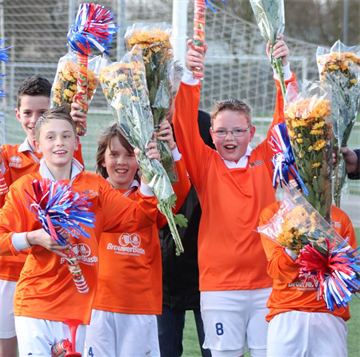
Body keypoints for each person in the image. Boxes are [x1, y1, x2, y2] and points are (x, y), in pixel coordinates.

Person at [0, 106, 160, 356]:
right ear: (37, 144)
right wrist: (33, 238)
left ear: (76, 141)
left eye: (66, 135)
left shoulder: (95, 186)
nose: (59, 142)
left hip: (80, 309)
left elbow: (140, 218)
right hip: (34, 303)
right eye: (50, 137)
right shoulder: (25, 188)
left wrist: (149, 177)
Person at [172, 35, 295, 357]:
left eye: (238, 130)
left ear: (251, 133)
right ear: (211, 135)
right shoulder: (204, 164)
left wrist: (282, 69)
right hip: (219, 287)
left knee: (269, 352)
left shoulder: (266, 158)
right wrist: (191, 75)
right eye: (222, 131)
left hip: (267, 282)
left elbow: (285, 120)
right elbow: (183, 123)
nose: (230, 137)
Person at [84, 121, 190, 357]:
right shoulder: (91, 195)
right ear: (103, 159)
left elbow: (180, 191)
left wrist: (171, 149)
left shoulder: (152, 198)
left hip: (140, 306)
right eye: (114, 154)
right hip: (96, 304)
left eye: (130, 155)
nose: (121, 162)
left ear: (139, 161)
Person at [0, 75, 84, 357]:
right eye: (27, 113)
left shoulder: (69, 154)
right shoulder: (6, 156)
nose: (34, 120)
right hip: (10, 270)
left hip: (56, 274)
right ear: (17, 114)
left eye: (42, 113)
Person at [157, 62, 214, 357]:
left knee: (217, 350)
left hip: (208, 260)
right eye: (165, 92)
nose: (171, 100)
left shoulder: (207, 125)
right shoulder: (145, 126)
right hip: (162, 262)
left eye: (176, 92)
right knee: (164, 349)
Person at [259, 197, 357, 357]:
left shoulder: (339, 217)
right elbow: (277, 271)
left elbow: (351, 279)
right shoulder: (273, 214)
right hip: (286, 312)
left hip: (329, 314)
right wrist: (295, 241)